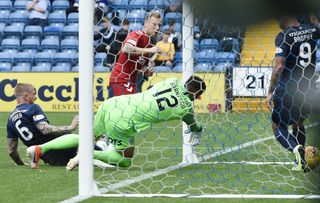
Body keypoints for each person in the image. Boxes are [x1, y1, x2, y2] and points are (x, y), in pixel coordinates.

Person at [64, 75, 206, 170]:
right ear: (196, 93)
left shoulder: (171, 80)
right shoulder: (186, 107)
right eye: (199, 96)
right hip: (123, 119)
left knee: (89, 136)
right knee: (125, 160)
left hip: (113, 103)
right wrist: (199, 129)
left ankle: (44, 149)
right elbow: (193, 125)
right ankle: (87, 155)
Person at [266, 15, 320, 173]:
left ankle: (296, 149)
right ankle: (302, 161)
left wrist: (270, 91)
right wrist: (315, 21)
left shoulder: (284, 36)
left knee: (277, 125)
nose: (278, 23)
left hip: (288, 89)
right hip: (307, 88)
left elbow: (278, 66)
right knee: (298, 123)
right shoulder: (311, 30)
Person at [6, 83, 79, 168]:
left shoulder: (10, 119)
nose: (36, 97)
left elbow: (11, 151)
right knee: (90, 147)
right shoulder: (33, 107)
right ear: (26, 97)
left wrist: (20, 163)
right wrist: (70, 127)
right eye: (33, 94)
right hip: (66, 149)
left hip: (51, 160)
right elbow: (45, 129)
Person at [108, 10, 162, 97]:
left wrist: (147, 70)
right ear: (146, 23)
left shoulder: (149, 44)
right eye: (154, 24)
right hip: (120, 79)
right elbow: (126, 49)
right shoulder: (136, 34)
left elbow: (138, 67)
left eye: (159, 25)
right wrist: (149, 50)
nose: (158, 28)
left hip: (131, 82)